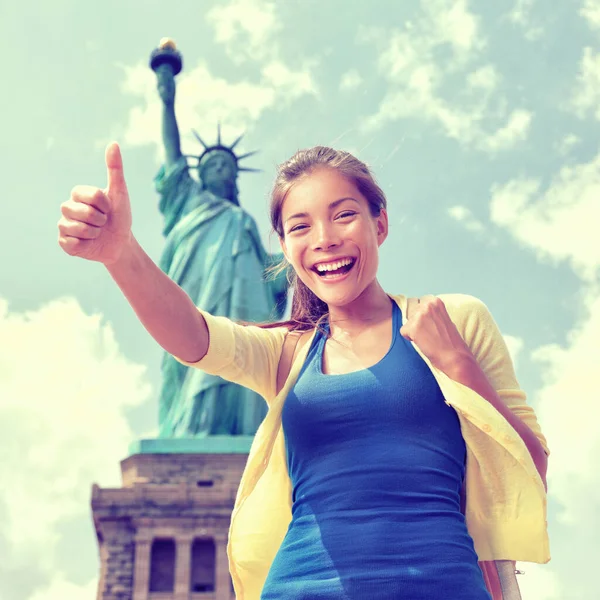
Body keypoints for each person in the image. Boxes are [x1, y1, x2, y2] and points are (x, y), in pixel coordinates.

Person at [58, 143, 550, 600]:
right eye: (300, 226)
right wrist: (121, 255)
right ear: (285, 246)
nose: (325, 240)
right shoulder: (288, 352)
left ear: (380, 224)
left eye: (344, 216)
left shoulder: (455, 320)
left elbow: (530, 468)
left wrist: (457, 363)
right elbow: (193, 335)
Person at [153, 63, 288, 437]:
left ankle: (250, 432)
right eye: (212, 165)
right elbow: (172, 155)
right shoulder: (188, 201)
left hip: (248, 303)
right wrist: (167, 100)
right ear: (201, 175)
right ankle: (191, 431)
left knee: (248, 350)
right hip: (196, 294)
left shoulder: (241, 220)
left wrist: (298, 259)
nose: (220, 170)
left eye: (226, 166)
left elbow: (270, 271)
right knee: (192, 351)